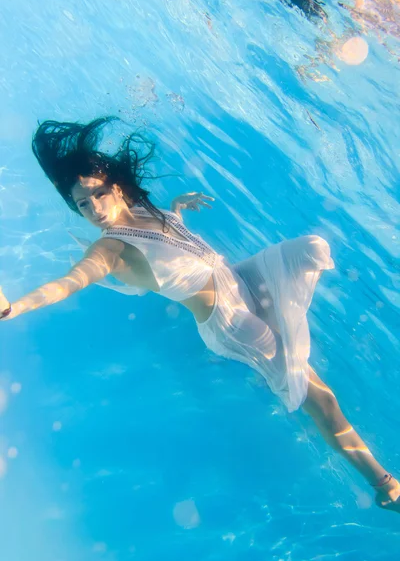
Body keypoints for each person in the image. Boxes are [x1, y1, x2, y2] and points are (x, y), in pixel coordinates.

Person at [1, 117, 399, 512]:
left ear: (117, 187)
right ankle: (385, 486)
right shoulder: (110, 250)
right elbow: (68, 282)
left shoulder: (145, 211)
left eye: (98, 195)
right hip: (230, 323)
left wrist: (176, 210)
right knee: (319, 397)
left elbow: (172, 246)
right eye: (82, 205)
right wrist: (14, 307)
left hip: (239, 282)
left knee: (310, 248)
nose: (94, 210)